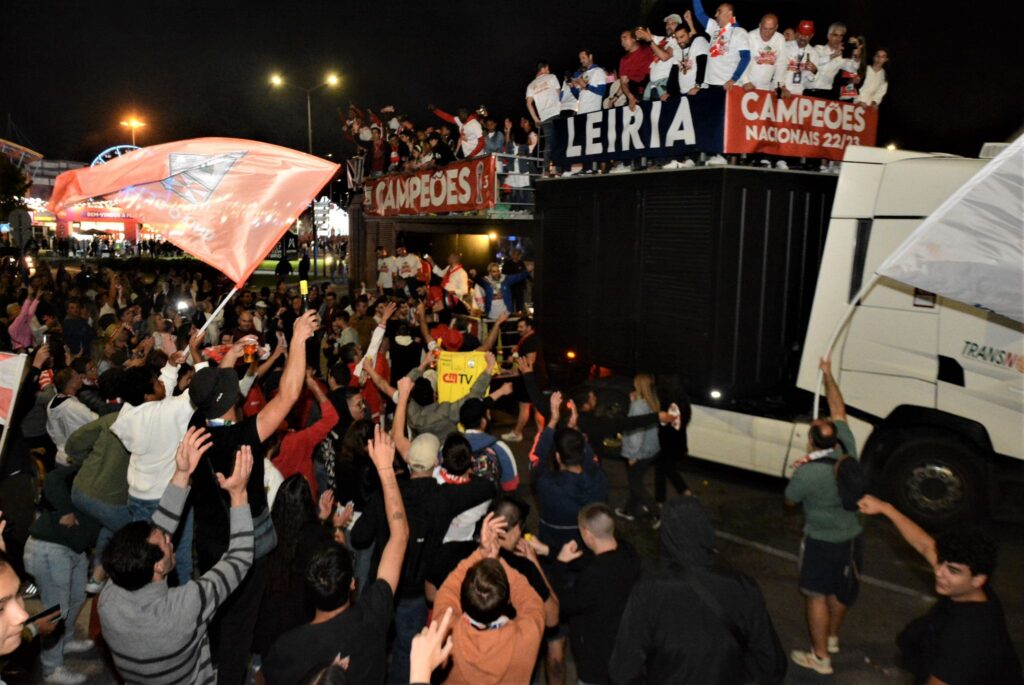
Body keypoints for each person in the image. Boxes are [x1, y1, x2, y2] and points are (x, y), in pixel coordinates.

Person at [186, 310, 319, 684]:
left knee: (216, 609)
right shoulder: (241, 437)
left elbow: (215, 389)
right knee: (240, 624)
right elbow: (289, 394)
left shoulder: (197, 423)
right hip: (243, 548)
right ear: (231, 400)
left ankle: (209, 662)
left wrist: (232, 354)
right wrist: (297, 340)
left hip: (209, 542)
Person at [98, 427, 255, 685]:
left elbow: (159, 531)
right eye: (166, 544)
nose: (170, 539)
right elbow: (239, 558)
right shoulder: (183, 608)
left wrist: (182, 473)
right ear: (158, 568)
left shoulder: (109, 598)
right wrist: (239, 494)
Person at [262, 426, 409, 685]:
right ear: (352, 583)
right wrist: (386, 468)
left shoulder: (287, 648)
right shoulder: (372, 616)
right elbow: (400, 535)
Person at [857, 495, 1023, 684]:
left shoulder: (968, 635)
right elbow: (924, 545)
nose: (939, 572)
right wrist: (886, 509)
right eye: (941, 562)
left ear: (978, 579)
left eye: (953, 571)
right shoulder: (968, 588)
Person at [784, 357, 862, 675]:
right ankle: (831, 637)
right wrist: (828, 374)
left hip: (821, 542)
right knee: (841, 591)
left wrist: (800, 470)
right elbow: (838, 408)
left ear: (811, 441)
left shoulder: (808, 472)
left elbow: (790, 501)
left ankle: (820, 658)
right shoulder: (848, 447)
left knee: (816, 595)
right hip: (852, 537)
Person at [433, 513, 545, 684]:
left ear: (463, 597)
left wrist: (481, 553)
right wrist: (497, 562)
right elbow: (531, 601)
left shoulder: (446, 632)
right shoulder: (527, 637)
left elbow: (448, 590)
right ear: (508, 602)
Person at [23, 466, 100, 685]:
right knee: (56, 609)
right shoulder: (91, 463)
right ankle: (51, 668)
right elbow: (53, 478)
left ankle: (66, 640)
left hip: (76, 547)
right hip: (49, 545)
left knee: (77, 596)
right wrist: (66, 510)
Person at [551, 503, 641, 685]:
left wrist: (559, 565)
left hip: (596, 662)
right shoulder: (628, 552)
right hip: (625, 651)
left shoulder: (594, 576)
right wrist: (548, 550)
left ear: (587, 534)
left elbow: (563, 604)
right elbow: (590, 559)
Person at [531, 393, 609, 553]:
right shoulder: (599, 480)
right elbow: (592, 460)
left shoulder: (547, 485)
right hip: (587, 550)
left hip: (553, 550)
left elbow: (536, 459)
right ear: (583, 452)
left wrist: (552, 421)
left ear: (558, 457)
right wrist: (575, 429)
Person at [615, 373, 662, 525]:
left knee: (635, 483)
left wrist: (632, 455)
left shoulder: (638, 406)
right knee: (636, 481)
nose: (633, 384)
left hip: (640, 452)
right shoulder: (653, 401)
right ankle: (629, 510)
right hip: (652, 449)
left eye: (635, 383)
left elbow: (636, 432)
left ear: (640, 386)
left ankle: (656, 512)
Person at [501, 317, 546, 443]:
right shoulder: (526, 339)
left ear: (529, 327)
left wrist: (514, 358)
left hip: (532, 379)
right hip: (530, 378)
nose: (518, 329)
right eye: (518, 327)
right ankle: (542, 435)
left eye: (521, 327)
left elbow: (530, 361)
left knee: (526, 406)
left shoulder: (532, 340)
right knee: (536, 407)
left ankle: (517, 433)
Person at [692, 0, 751, 91]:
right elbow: (699, 13)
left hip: (728, 86)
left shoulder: (739, 32)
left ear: (729, 13)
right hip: (710, 84)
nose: (715, 15)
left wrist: (734, 79)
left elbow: (745, 57)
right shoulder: (714, 28)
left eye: (719, 11)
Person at [46, 368, 99, 466]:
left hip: (62, 455)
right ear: (72, 383)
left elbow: (51, 431)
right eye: (77, 376)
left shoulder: (51, 403)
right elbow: (98, 422)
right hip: (77, 458)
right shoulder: (74, 407)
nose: (81, 377)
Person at [525, 61, 562, 176]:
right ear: (544, 68)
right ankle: (558, 169)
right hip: (556, 113)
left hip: (544, 117)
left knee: (548, 144)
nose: (549, 71)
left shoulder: (531, 85)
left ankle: (545, 171)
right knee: (559, 141)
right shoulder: (552, 77)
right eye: (548, 68)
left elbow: (528, 104)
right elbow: (559, 94)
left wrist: (536, 119)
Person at [636, 13, 684, 101]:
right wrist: (641, 33)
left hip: (663, 86)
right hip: (653, 85)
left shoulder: (677, 41)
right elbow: (649, 36)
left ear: (679, 27)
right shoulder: (663, 40)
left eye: (673, 23)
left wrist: (649, 40)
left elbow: (664, 56)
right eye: (667, 23)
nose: (669, 26)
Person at [741, 14, 788, 93]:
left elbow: (781, 64)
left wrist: (778, 85)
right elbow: (743, 60)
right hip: (746, 84)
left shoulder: (780, 39)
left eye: (771, 29)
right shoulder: (750, 37)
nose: (767, 32)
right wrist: (745, 81)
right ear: (760, 25)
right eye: (764, 28)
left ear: (776, 27)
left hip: (765, 87)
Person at [805, 22, 848, 100]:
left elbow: (854, 68)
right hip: (808, 92)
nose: (838, 39)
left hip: (826, 95)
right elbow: (815, 62)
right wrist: (833, 55)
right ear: (829, 36)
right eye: (835, 35)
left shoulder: (842, 57)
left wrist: (856, 54)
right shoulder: (818, 48)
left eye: (841, 36)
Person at [617, 29, 655, 109]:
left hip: (650, 88)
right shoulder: (624, 60)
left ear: (633, 39)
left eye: (624, 38)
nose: (622, 43)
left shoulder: (648, 49)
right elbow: (623, 83)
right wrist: (630, 96)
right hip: (634, 92)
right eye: (621, 40)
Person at [570, 49, 608, 115]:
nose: (581, 61)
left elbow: (602, 91)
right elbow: (577, 95)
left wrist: (586, 86)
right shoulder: (583, 74)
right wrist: (572, 87)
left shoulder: (598, 71)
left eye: (583, 58)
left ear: (590, 57)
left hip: (592, 112)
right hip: (581, 111)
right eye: (580, 58)